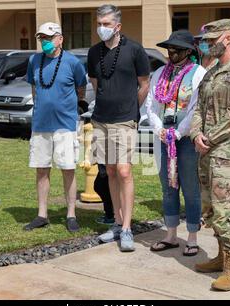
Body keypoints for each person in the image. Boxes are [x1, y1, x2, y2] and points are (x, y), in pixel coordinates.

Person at [190, 19, 230, 291]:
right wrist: (196, 134)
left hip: (225, 153)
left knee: (226, 209)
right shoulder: (210, 73)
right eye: (205, 40)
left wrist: (209, 137)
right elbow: (197, 109)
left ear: (227, 38)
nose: (207, 44)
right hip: (205, 152)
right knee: (211, 208)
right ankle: (220, 257)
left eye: (212, 40)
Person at [87, 4, 150, 252]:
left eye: (107, 24)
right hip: (101, 118)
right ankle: (115, 223)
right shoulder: (94, 53)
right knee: (110, 171)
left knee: (124, 171)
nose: (102, 28)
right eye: (99, 23)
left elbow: (144, 84)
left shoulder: (134, 49)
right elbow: (96, 83)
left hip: (125, 119)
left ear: (118, 26)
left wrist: (133, 110)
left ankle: (127, 228)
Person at [145, 30, 206, 256]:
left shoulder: (199, 73)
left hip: (186, 140)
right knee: (168, 187)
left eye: (177, 49)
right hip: (163, 137)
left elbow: (196, 109)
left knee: (190, 188)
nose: (172, 52)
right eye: (170, 48)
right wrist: (160, 129)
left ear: (188, 51)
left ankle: (191, 237)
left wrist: (178, 133)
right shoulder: (160, 73)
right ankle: (170, 235)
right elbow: (151, 104)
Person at [23, 22, 87, 233]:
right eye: (42, 38)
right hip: (41, 124)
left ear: (60, 39)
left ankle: (71, 214)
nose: (45, 42)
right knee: (42, 169)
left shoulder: (72, 62)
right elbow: (34, 86)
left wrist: (75, 106)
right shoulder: (34, 60)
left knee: (68, 169)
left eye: (49, 38)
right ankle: (42, 214)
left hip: (65, 125)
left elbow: (81, 86)